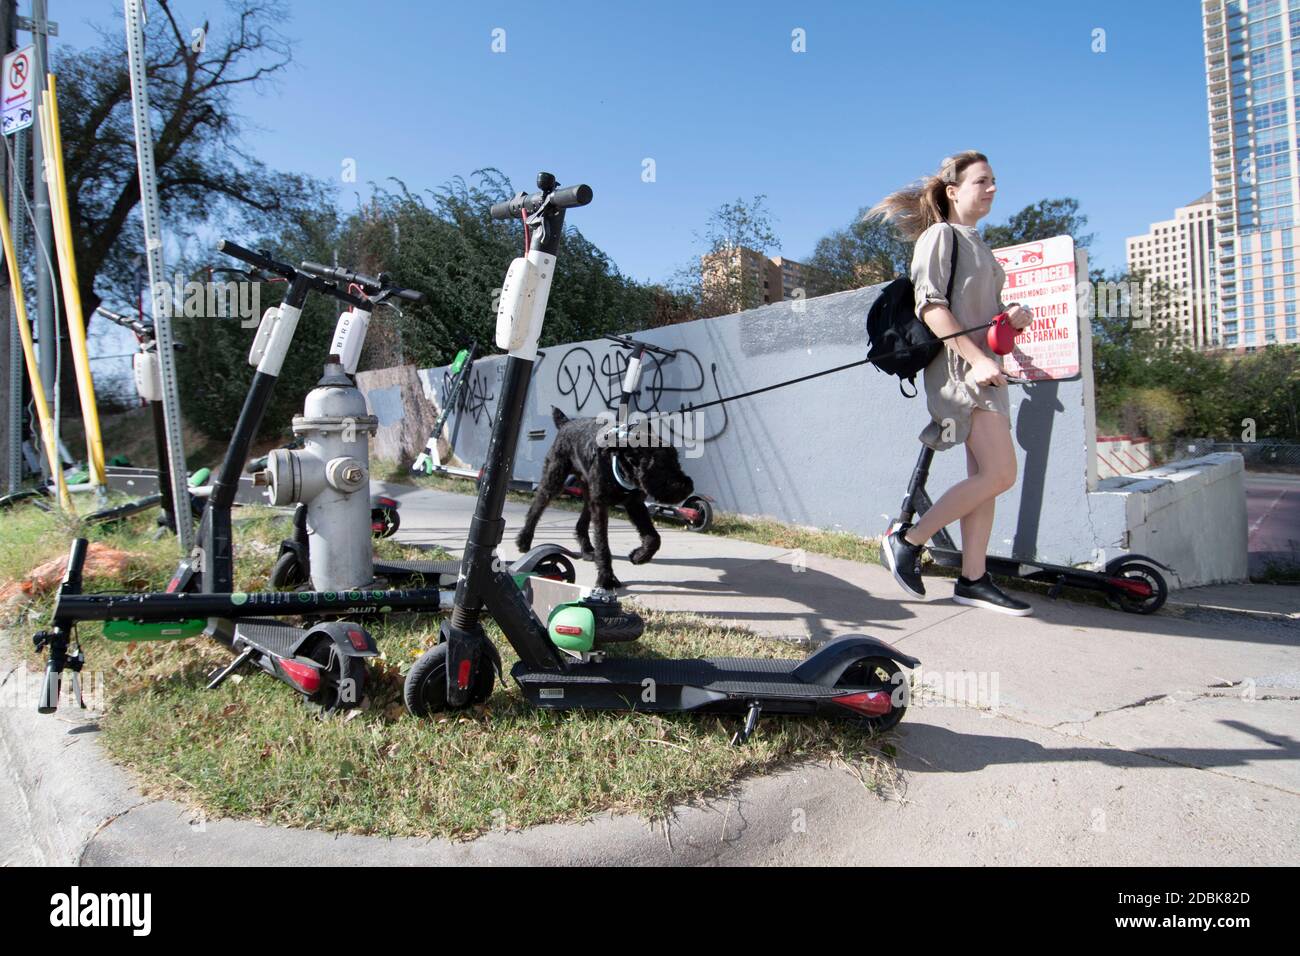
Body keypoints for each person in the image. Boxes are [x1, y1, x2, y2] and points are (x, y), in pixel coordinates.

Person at [870, 150, 1035, 616]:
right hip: (962, 372)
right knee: (1001, 473)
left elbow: (978, 316)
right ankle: (907, 539)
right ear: (952, 190)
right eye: (982, 180)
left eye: (994, 180)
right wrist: (978, 359)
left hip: (987, 372)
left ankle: (973, 578)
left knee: (985, 479)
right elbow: (931, 307)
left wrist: (1011, 320)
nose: (993, 188)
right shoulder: (939, 236)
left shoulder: (980, 245)